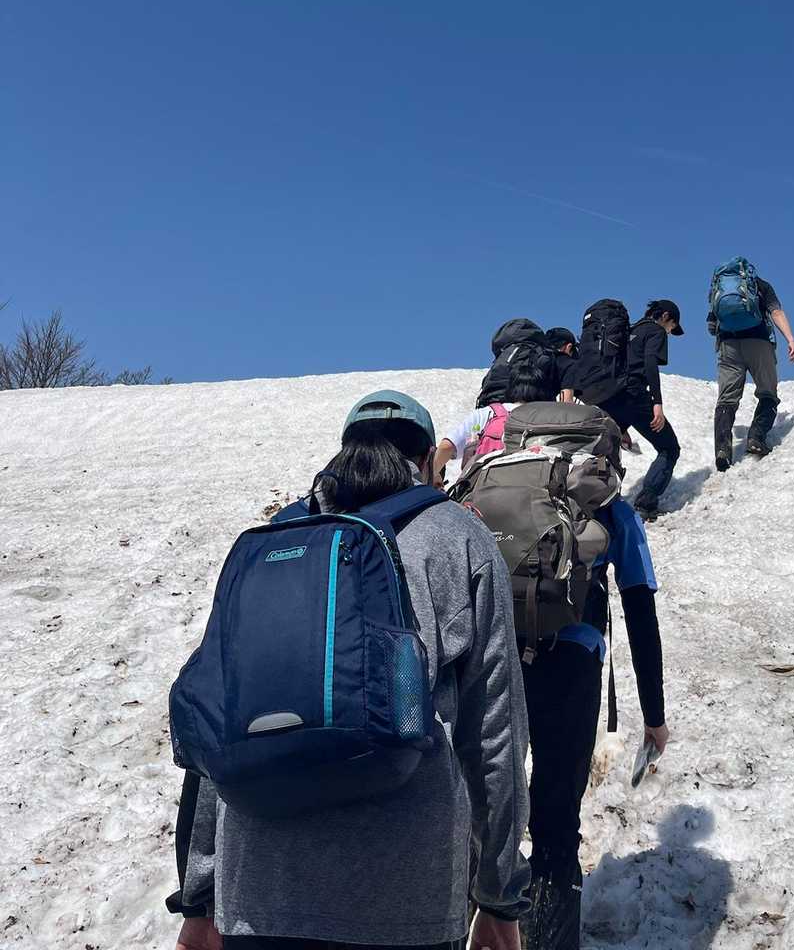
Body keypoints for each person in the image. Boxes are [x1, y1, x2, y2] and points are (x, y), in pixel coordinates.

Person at [168, 390, 530, 950]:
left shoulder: (273, 542)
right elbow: (495, 734)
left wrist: (198, 898)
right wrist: (500, 895)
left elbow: (218, 727)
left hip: (258, 892)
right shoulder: (459, 537)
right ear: (427, 463)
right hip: (406, 896)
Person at [447, 376, 669, 950]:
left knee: (482, 815)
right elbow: (640, 610)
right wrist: (654, 716)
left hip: (494, 662)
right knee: (555, 824)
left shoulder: (491, 486)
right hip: (571, 666)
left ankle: (470, 926)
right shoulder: (609, 508)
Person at [575, 300, 684, 522]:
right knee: (669, 448)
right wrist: (657, 402)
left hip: (610, 396)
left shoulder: (628, 330)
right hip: (633, 396)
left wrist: (622, 425)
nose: (669, 331)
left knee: (606, 452)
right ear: (665, 316)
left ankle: (594, 501)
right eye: (672, 326)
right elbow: (650, 362)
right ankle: (646, 504)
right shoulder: (655, 331)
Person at [708, 266, 794, 468]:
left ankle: (722, 450)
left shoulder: (717, 289)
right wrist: (790, 339)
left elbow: (711, 326)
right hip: (759, 342)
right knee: (768, 393)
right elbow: (776, 312)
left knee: (727, 399)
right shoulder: (761, 285)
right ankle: (756, 438)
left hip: (728, 345)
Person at [544, 327, 579, 402]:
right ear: (569, 347)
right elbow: (566, 401)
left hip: (528, 407)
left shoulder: (537, 359)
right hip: (551, 408)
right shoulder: (570, 364)